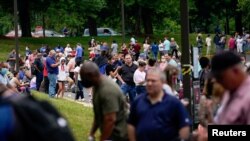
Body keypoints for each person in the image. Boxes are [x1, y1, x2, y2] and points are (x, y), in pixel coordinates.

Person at [128, 68, 191, 141]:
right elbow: (131, 125)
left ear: (162, 82)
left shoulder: (174, 103)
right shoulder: (138, 101)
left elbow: (184, 126)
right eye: (148, 80)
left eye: (153, 81)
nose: (149, 83)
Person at [80, 61, 128, 141]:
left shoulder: (107, 90)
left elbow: (110, 120)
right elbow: (99, 114)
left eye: (83, 77)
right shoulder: (96, 85)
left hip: (119, 135)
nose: (83, 80)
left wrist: (102, 139)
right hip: (112, 132)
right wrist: (92, 133)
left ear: (91, 75)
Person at [211, 51, 250, 124]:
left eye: (220, 77)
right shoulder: (229, 92)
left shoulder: (247, 96)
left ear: (235, 71)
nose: (218, 81)